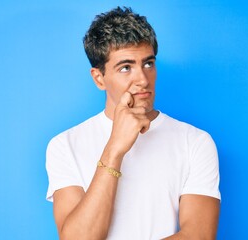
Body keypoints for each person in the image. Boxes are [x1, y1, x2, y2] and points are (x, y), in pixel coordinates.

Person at [46, 6, 220, 240]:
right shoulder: (64, 145)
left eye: (148, 63)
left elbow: (198, 235)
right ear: (99, 78)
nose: (142, 79)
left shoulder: (195, 142)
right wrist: (114, 149)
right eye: (125, 67)